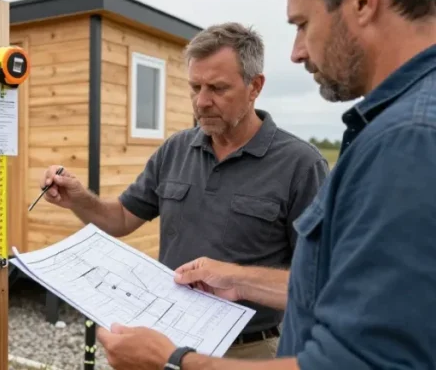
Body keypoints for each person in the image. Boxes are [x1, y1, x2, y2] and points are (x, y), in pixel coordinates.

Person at [95, 0, 436, 368]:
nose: (297, 51)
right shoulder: (403, 126)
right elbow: (334, 286)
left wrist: (174, 362)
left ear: (362, 0)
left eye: (302, 24)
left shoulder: (410, 137)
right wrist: (239, 281)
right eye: (195, 87)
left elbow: (365, 359)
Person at [39, 22, 329, 359]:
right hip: (167, 343)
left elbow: (318, 281)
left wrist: (239, 279)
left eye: (218, 88)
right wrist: (79, 198)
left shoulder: (301, 165)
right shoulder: (175, 149)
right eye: (195, 87)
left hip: (250, 351)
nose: (202, 101)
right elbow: (119, 219)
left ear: (255, 87)